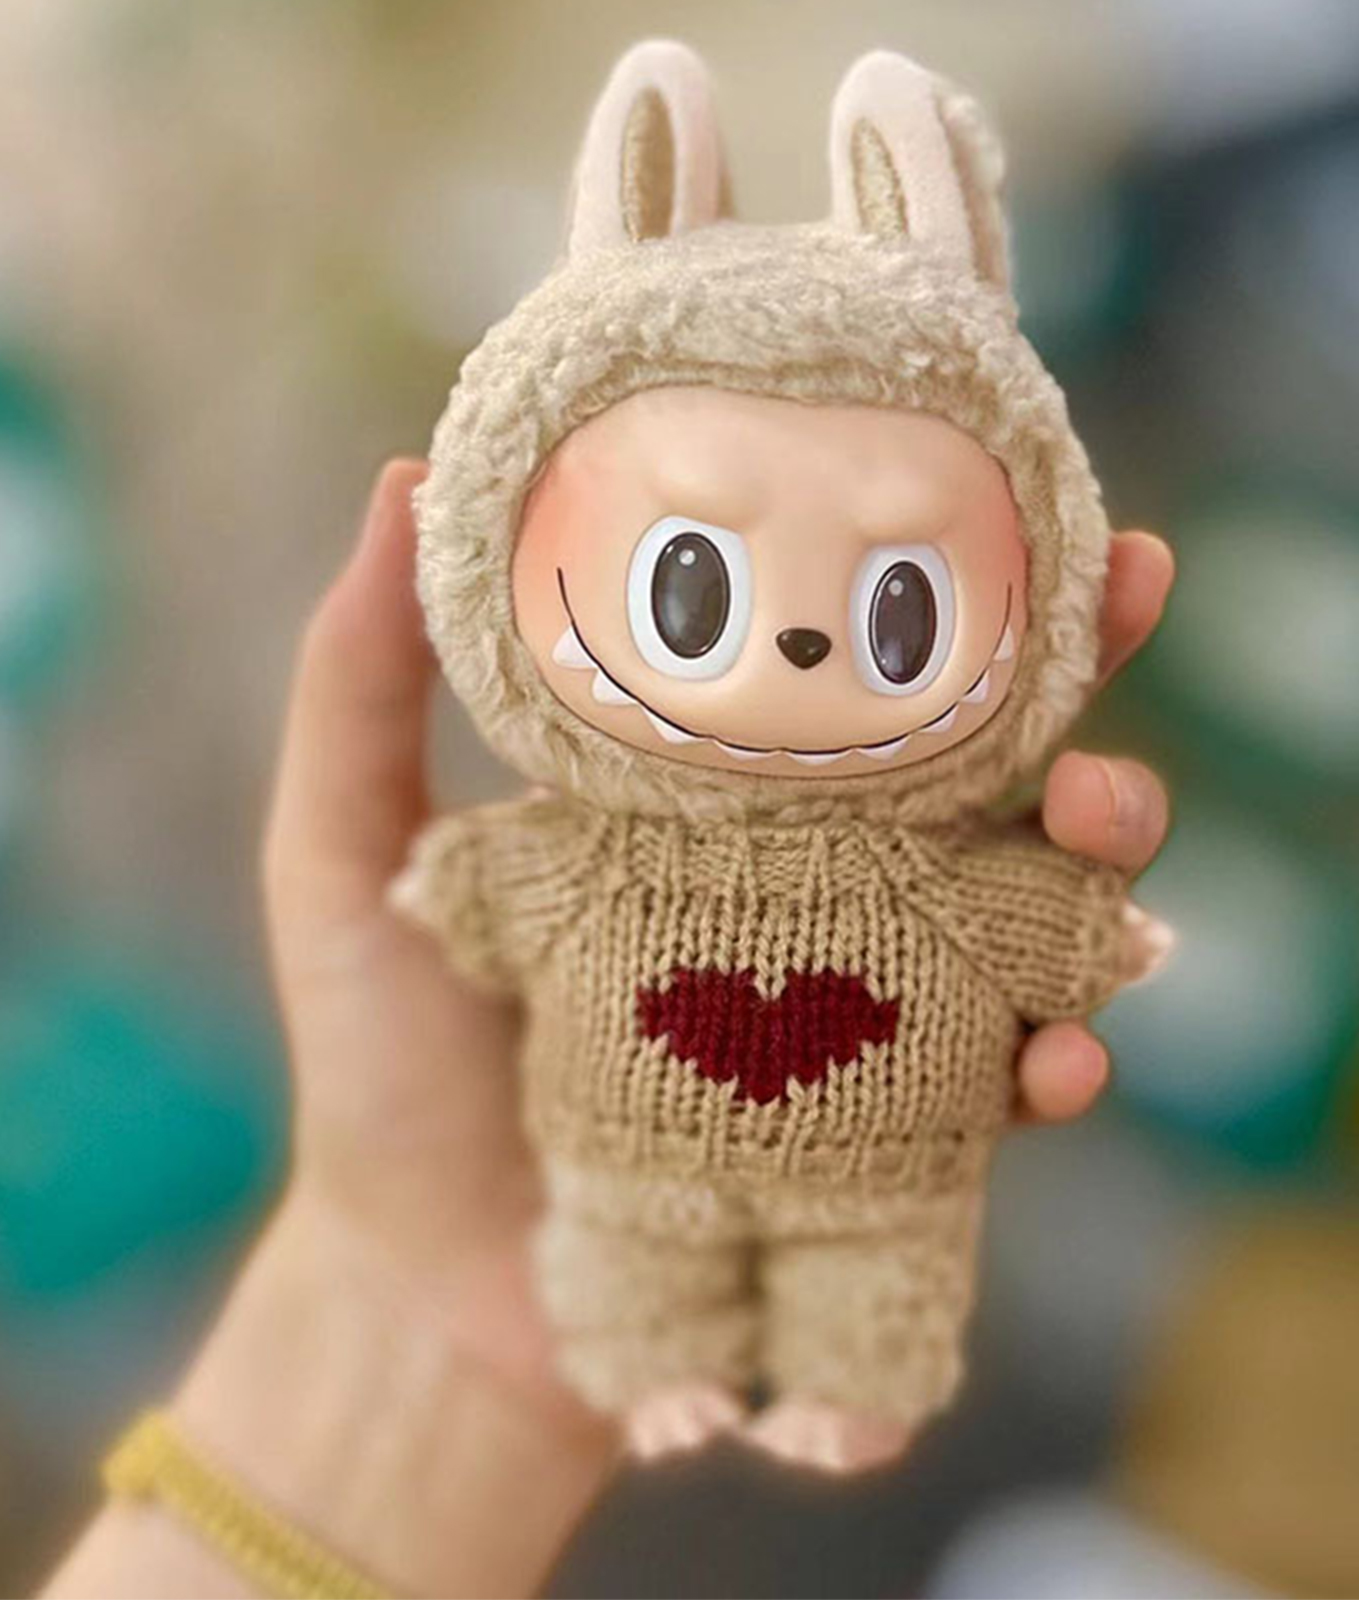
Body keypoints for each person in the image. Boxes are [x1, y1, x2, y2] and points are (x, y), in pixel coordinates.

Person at [43, 460, 1173, 1598]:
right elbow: (496, 888)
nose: (797, 646)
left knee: (875, 1243)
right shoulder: (596, 867)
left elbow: (1030, 915)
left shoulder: (925, 869)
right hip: (615, 1160)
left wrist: (1091, 930)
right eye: (699, 593)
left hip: (865, 1146)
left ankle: (857, 1375)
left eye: (895, 606)